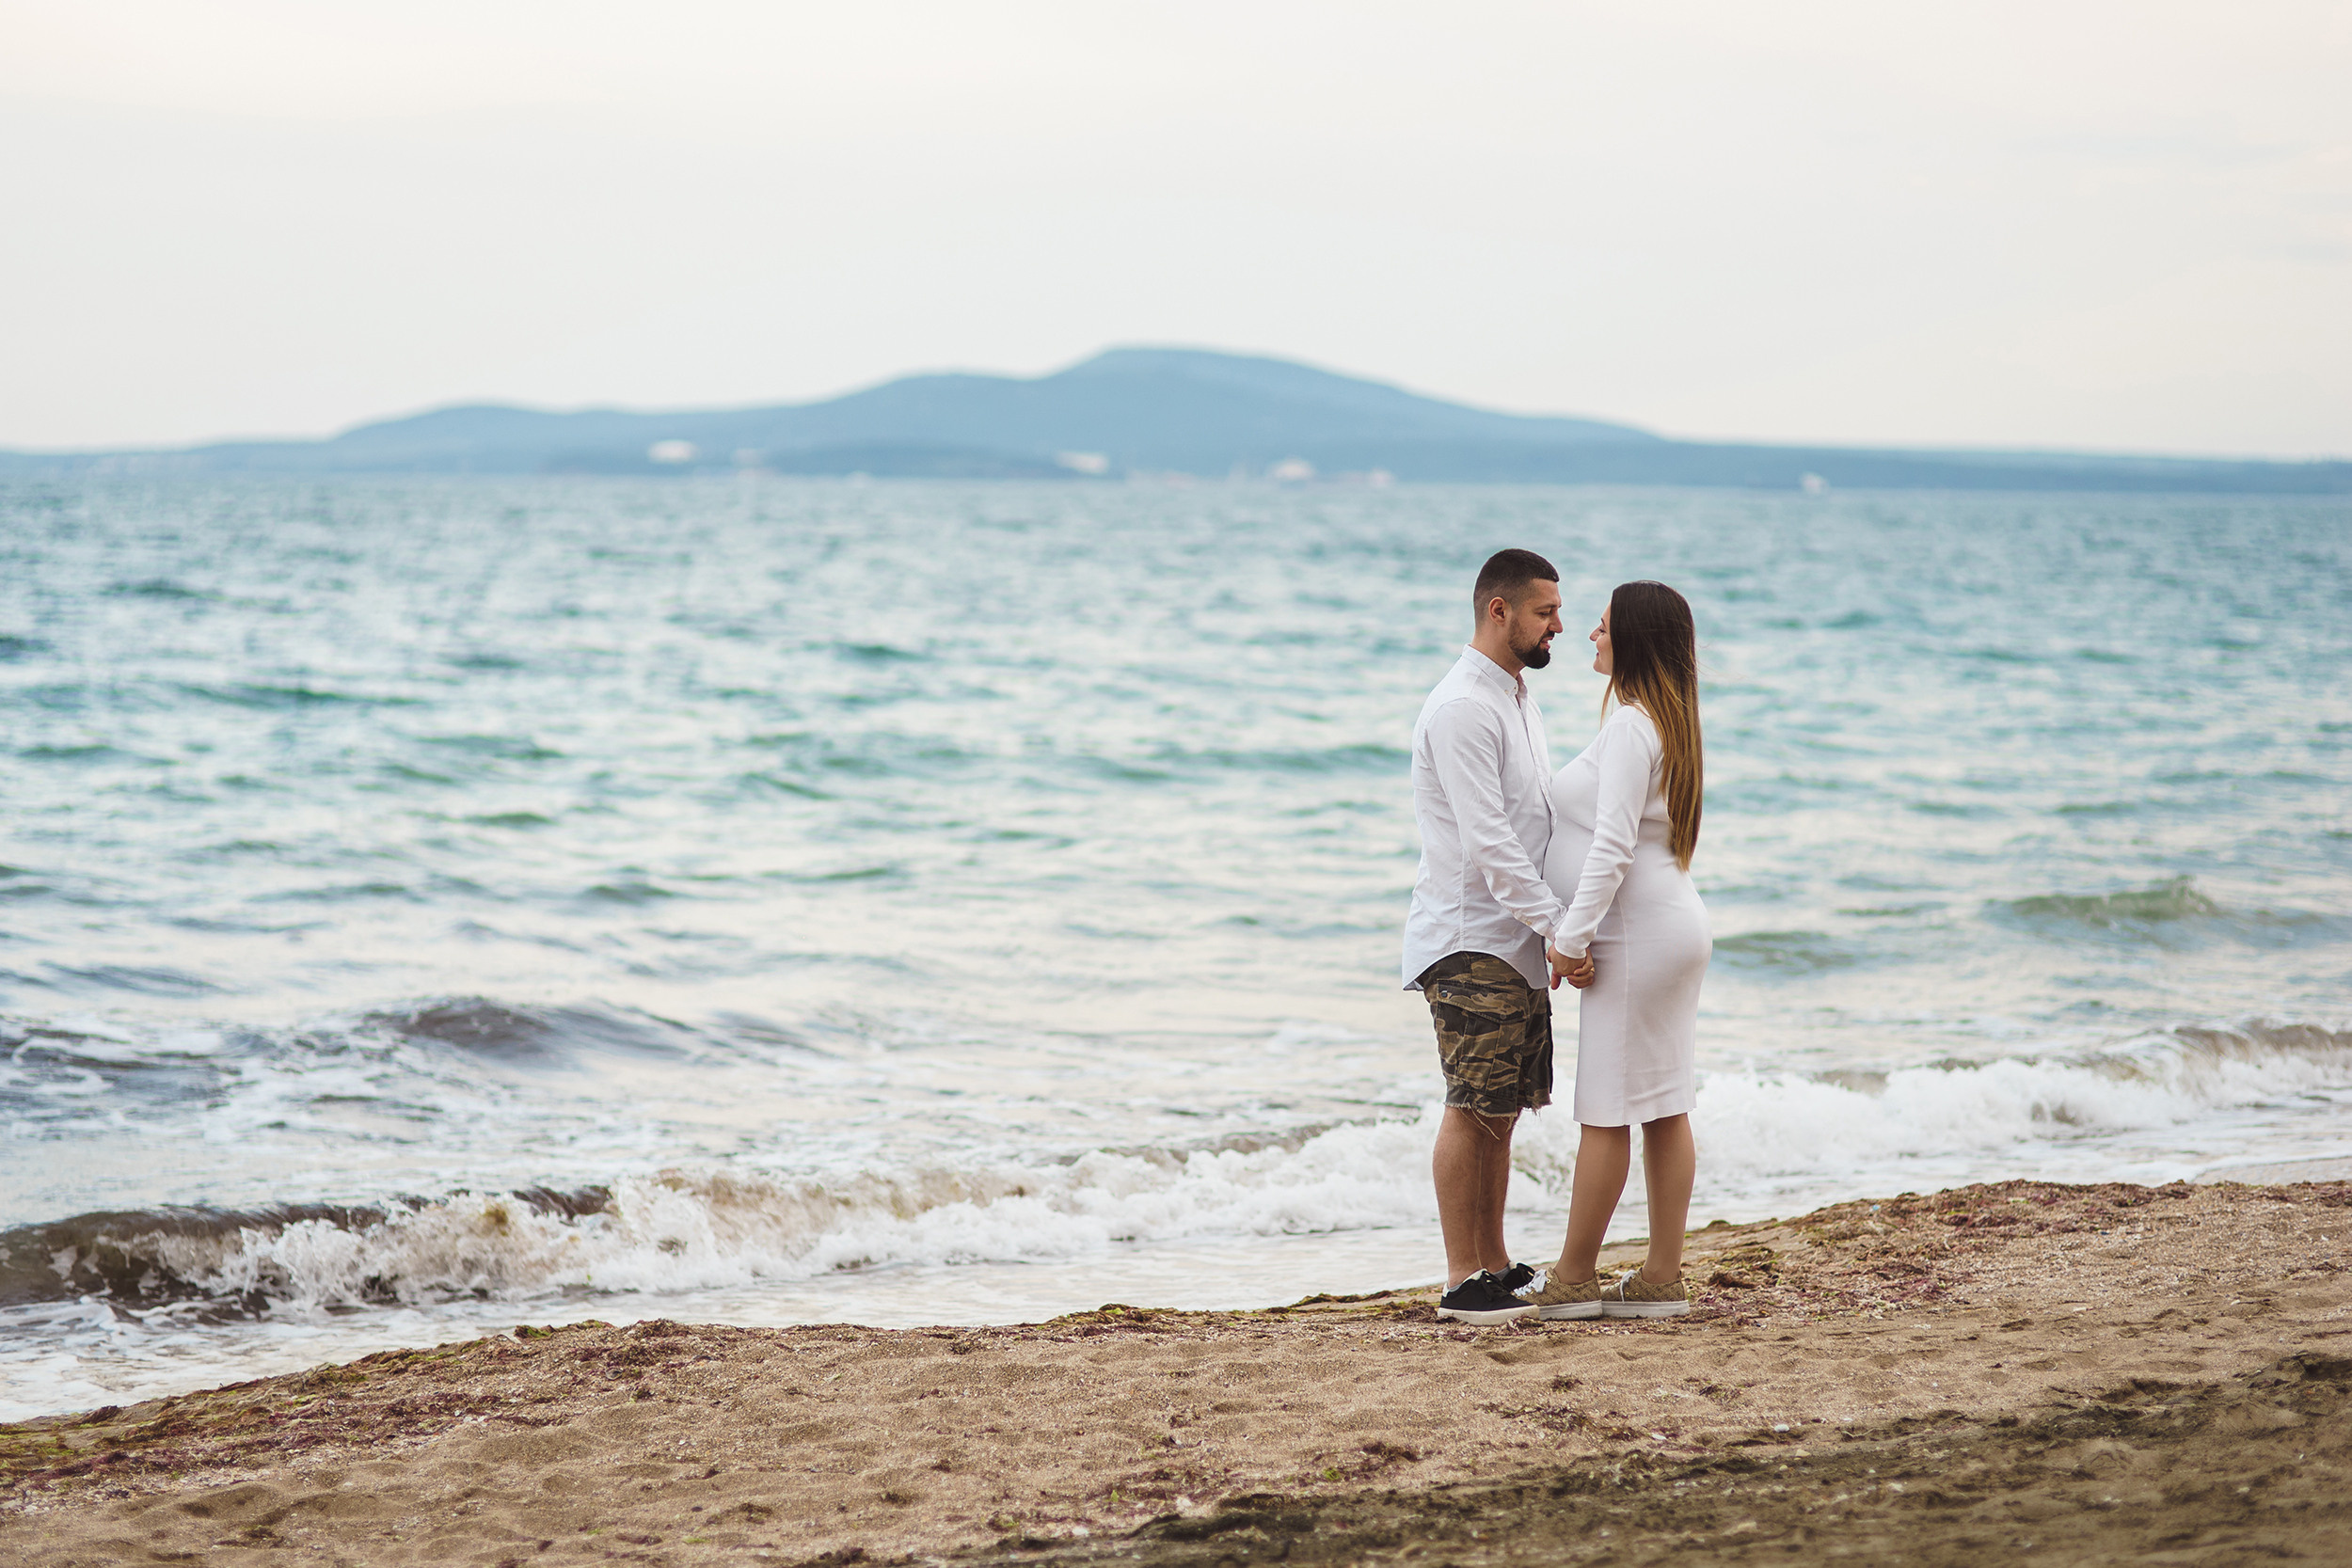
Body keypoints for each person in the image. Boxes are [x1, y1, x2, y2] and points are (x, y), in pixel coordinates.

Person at [1516, 580, 1710, 1322]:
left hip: (1638, 934)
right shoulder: (1668, 720)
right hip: (1668, 927)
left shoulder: (1633, 725)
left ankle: (1572, 1277)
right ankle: (1661, 1276)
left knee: (1606, 1109)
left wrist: (1569, 940)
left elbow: (1612, 846)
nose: (1589, 636)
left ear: (1632, 637)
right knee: (1664, 1103)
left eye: (1601, 626)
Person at [1405, 548, 1573, 1325]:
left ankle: (1495, 1264)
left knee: (1501, 1107)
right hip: (1471, 936)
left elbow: (1535, 826)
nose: (1557, 626)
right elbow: (1490, 844)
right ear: (1498, 610)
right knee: (1470, 1103)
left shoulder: (1516, 697)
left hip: (1514, 939)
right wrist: (1561, 926)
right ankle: (1457, 1277)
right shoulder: (1463, 706)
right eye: (1544, 612)